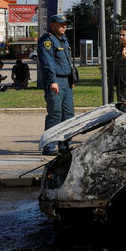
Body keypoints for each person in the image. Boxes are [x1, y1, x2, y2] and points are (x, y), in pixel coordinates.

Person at [38, 14, 75, 156]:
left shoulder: (63, 40)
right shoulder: (47, 40)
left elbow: (67, 62)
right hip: (55, 81)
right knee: (55, 114)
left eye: (65, 24)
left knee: (68, 114)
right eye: (61, 24)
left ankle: (65, 144)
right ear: (52, 25)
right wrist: (53, 81)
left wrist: (71, 80)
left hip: (66, 81)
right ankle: (49, 146)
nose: (64, 26)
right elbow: (48, 63)